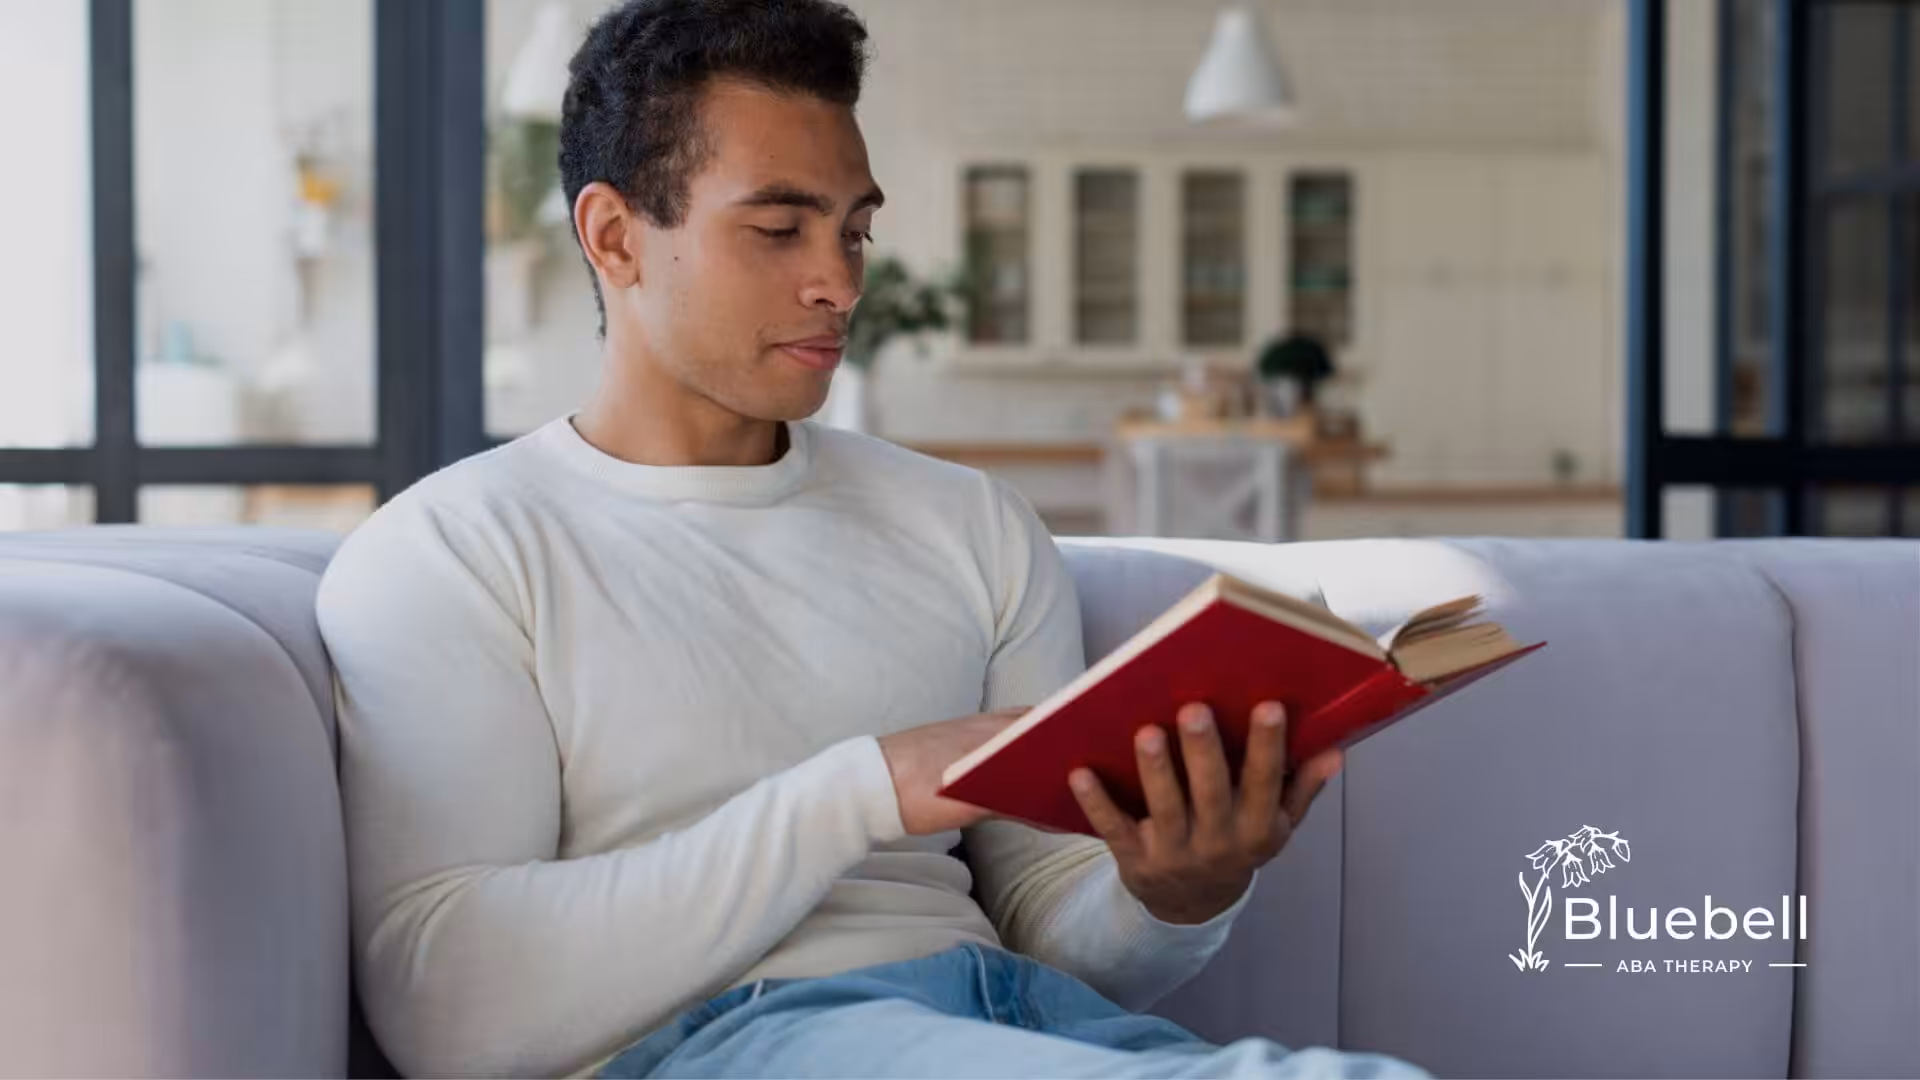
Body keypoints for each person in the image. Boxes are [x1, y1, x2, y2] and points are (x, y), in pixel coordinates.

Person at [315, 1, 1431, 1077]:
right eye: (777, 229)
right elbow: (445, 1005)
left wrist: (1177, 893)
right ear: (615, 236)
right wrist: (870, 788)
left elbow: (1054, 929)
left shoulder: (969, 525)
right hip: (733, 1039)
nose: (837, 280)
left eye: (855, 230)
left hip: (1024, 1022)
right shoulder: (456, 550)